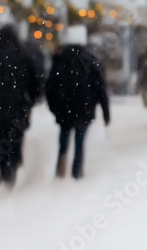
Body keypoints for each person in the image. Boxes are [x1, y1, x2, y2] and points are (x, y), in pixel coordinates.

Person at [0, 25, 40, 186]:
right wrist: (31, 100)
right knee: (15, 141)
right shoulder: (23, 55)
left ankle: (4, 170)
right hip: (18, 108)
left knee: (0, 141)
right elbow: (35, 82)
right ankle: (11, 170)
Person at [46, 41, 110, 180]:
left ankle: (60, 171)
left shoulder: (60, 61)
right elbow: (100, 90)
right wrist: (106, 114)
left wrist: (54, 108)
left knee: (63, 139)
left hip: (64, 109)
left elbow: (50, 86)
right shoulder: (91, 62)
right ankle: (77, 172)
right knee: (79, 142)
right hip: (84, 109)